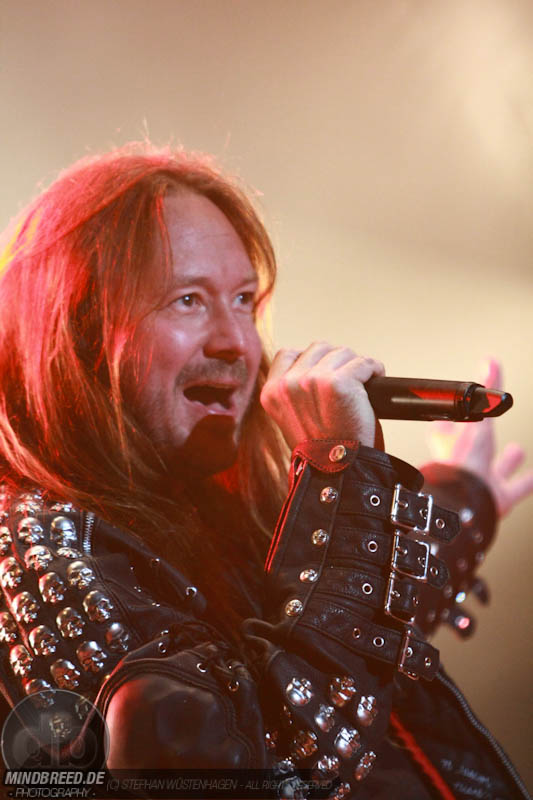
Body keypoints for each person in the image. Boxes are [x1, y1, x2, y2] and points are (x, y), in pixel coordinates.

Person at [0, 142, 531, 799]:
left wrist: (459, 500)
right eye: (188, 299)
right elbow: (275, 763)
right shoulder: (44, 542)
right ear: (77, 332)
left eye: (244, 300)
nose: (236, 342)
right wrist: (341, 474)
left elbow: (331, 634)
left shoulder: (211, 510)